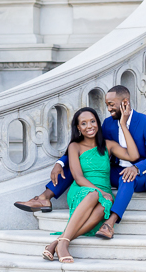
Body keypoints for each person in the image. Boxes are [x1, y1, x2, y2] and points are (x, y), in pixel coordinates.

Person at [15, 85, 146, 240]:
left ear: (125, 102)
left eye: (111, 104)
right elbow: (89, 147)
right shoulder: (109, 123)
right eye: (107, 105)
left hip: (142, 175)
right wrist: (60, 163)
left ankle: (110, 223)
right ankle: (45, 197)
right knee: (79, 165)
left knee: (127, 177)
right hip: (116, 170)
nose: (108, 109)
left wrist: (137, 168)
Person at [41, 105, 138, 263]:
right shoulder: (75, 146)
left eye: (92, 121)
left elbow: (133, 156)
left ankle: (57, 242)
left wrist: (123, 124)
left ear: (98, 124)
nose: (89, 126)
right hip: (82, 189)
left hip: (103, 192)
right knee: (95, 195)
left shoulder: (108, 145)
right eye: (84, 123)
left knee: (103, 208)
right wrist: (100, 192)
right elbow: (78, 177)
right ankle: (64, 244)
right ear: (78, 127)